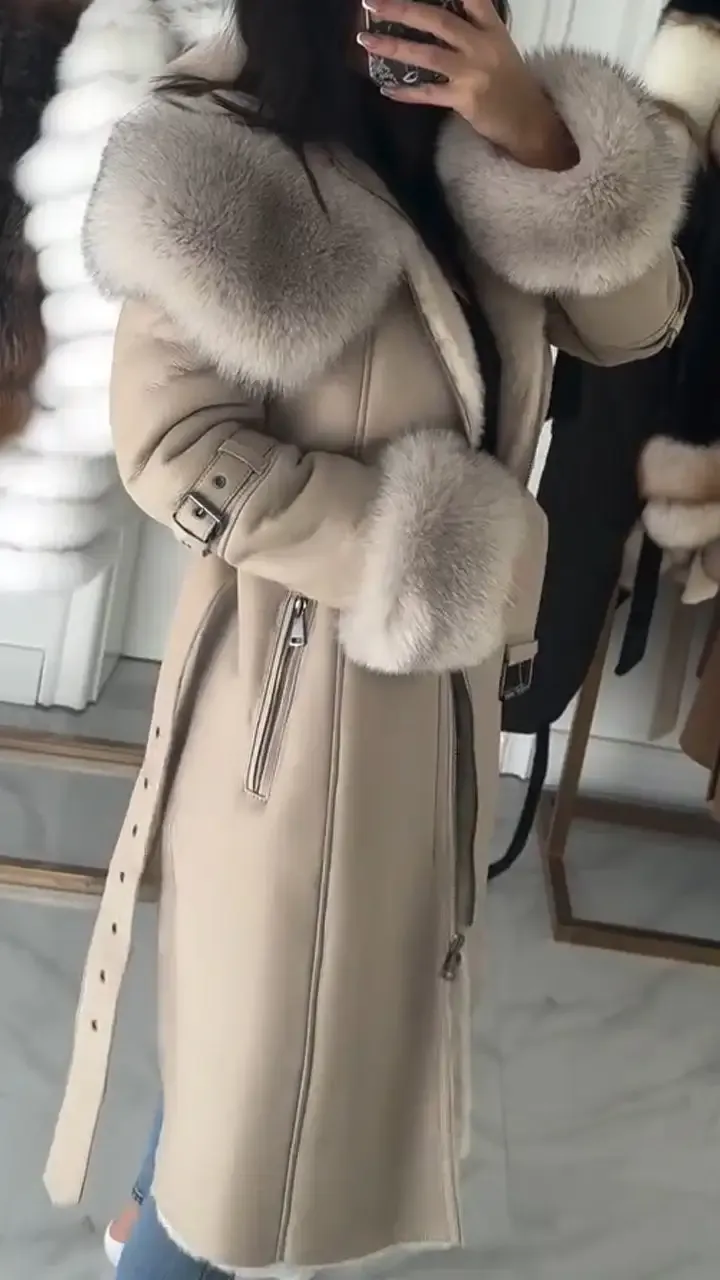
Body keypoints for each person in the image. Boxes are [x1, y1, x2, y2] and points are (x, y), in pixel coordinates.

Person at [44, 0, 692, 1277]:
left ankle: (151, 1199)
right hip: (293, 711)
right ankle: (163, 1240)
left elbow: (643, 323)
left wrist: (541, 142)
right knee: (266, 1081)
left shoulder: (476, 133)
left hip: (430, 696)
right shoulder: (218, 147)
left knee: (265, 1025)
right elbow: (172, 449)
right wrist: (424, 555)